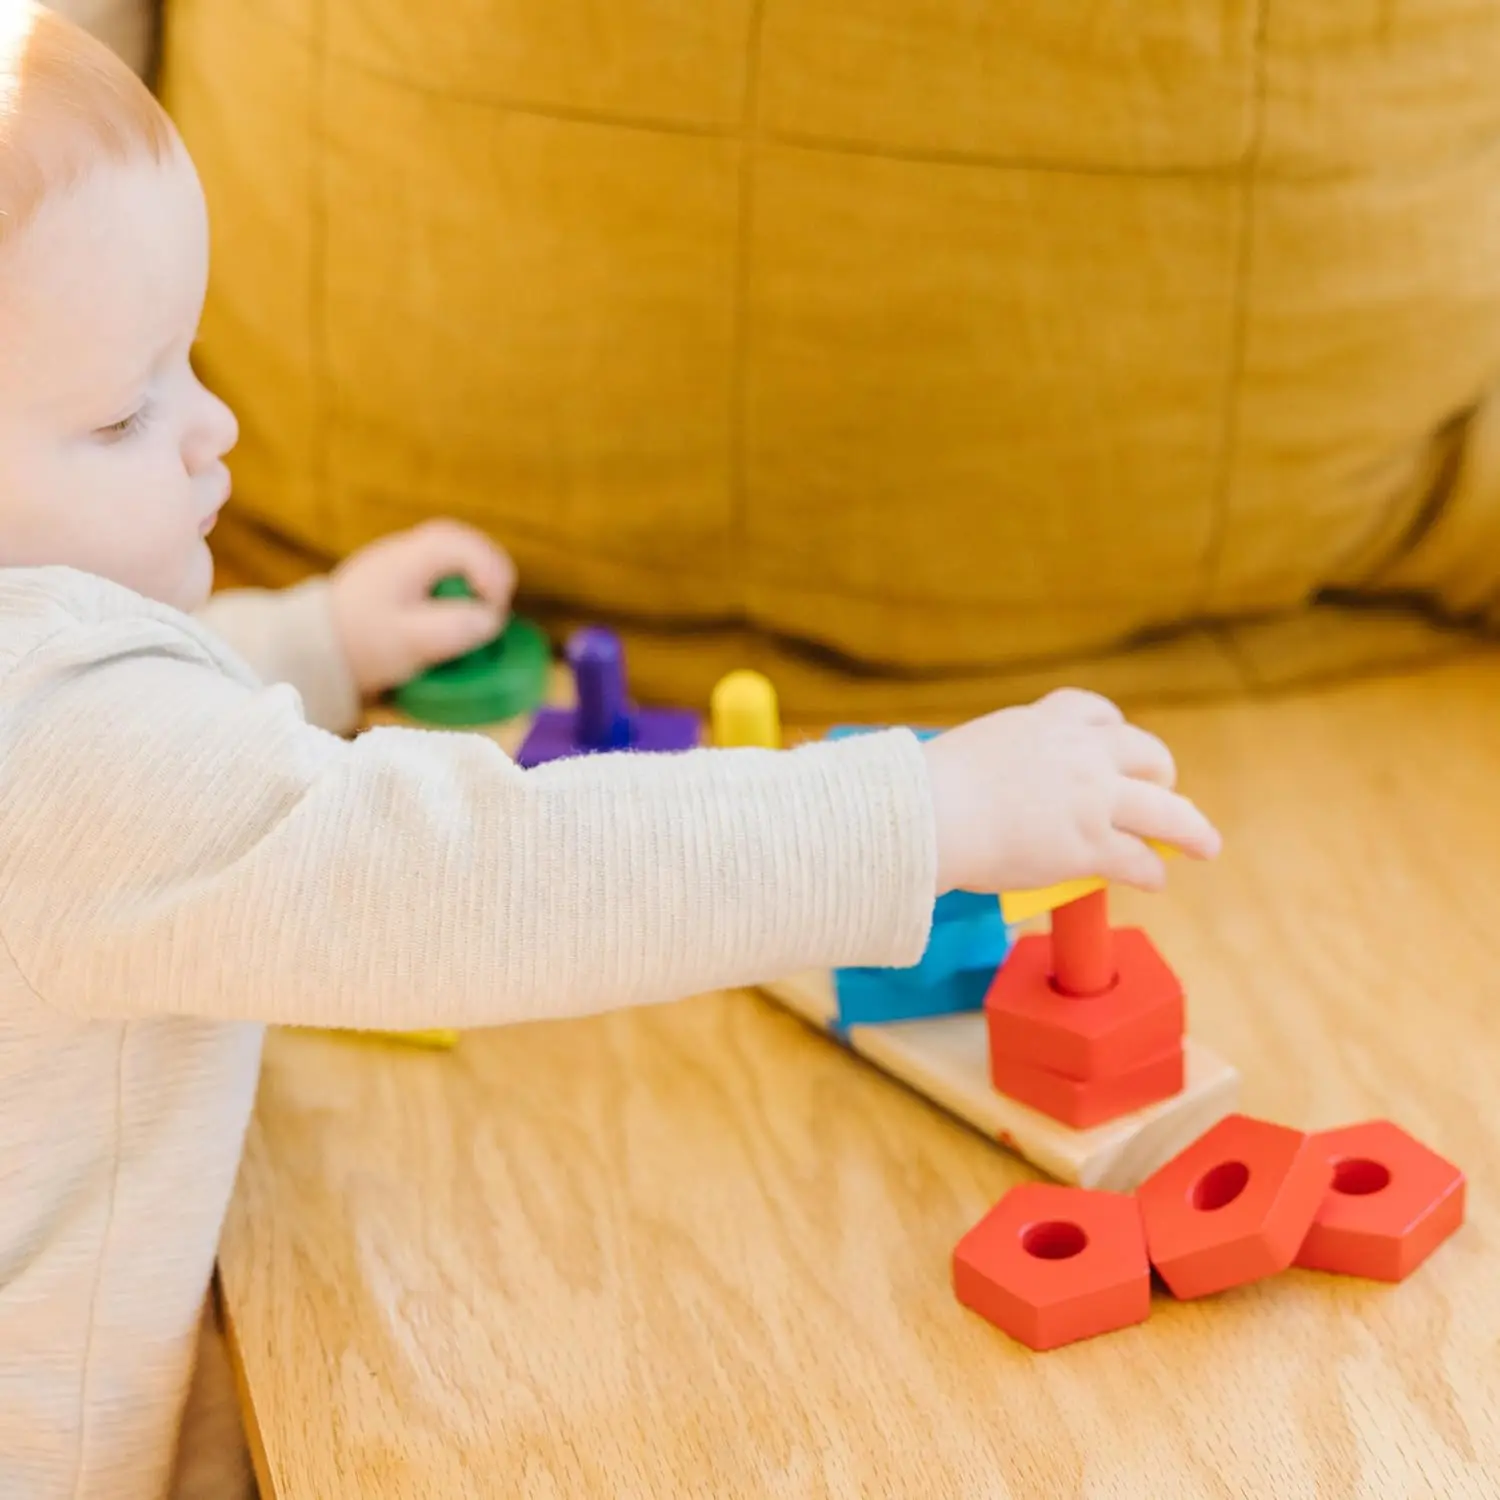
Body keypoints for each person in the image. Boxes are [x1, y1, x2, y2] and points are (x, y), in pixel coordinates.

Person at [0, 7, 1222, 1497]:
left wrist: (310, 641)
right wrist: (922, 811)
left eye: (189, 357)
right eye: (129, 408)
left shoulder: (56, 722)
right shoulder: (69, 752)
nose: (213, 427)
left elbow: (95, 725)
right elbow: (464, 880)